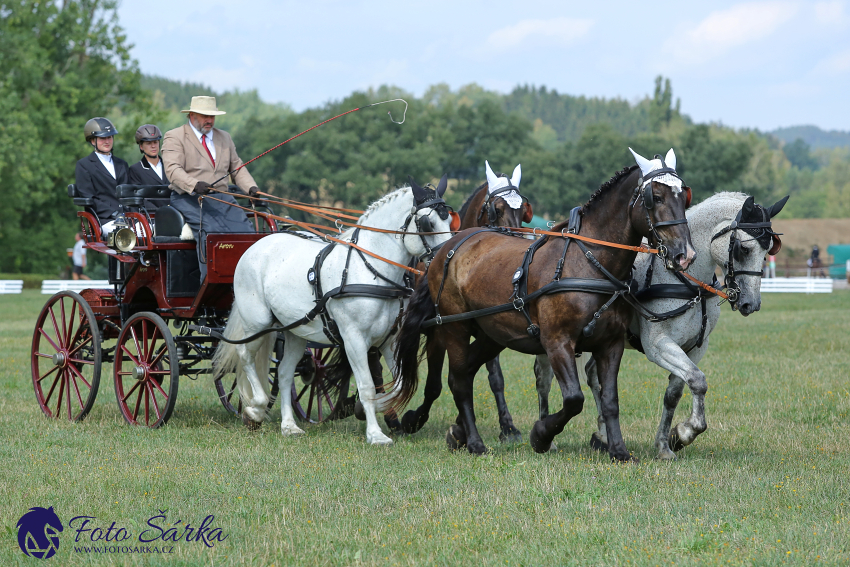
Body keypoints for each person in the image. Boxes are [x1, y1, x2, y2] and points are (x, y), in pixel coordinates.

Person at [161, 96, 260, 280]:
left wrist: (251, 188)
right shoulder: (175, 136)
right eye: (204, 115)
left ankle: (247, 280)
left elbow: (237, 168)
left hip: (223, 198)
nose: (209, 120)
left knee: (246, 233)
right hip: (189, 198)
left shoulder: (224, 137)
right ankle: (210, 283)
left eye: (212, 116)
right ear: (191, 115)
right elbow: (172, 170)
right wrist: (194, 185)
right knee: (212, 234)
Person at [74, 117, 128, 231]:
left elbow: (128, 193)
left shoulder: (122, 164)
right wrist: (113, 213)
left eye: (109, 137)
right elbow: (89, 197)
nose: (107, 141)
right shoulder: (84, 165)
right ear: (93, 141)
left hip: (127, 216)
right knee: (126, 234)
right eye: (102, 138)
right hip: (104, 219)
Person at [128, 124, 170, 209]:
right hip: (151, 216)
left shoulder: (169, 165)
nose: (153, 146)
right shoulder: (135, 170)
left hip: (176, 213)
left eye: (155, 142)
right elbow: (139, 198)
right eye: (148, 143)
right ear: (141, 146)